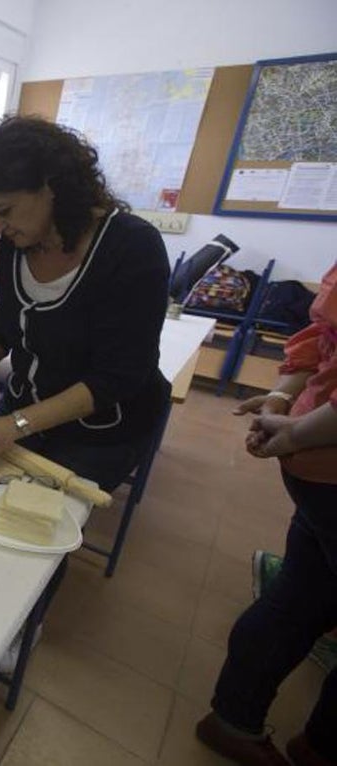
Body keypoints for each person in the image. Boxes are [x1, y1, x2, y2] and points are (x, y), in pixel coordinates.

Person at [0, 115, 170, 492]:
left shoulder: (131, 247)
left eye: (4, 212)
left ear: (51, 185)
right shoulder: (16, 245)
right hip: (24, 408)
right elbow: (3, 321)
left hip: (99, 433)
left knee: (38, 523)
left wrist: (18, 423)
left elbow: (118, 377)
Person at [196, 261, 337, 766]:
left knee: (302, 597)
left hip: (315, 456)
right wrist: (291, 424)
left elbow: (322, 335)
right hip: (324, 458)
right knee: (300, 597)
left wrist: (285, 405)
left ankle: (238, 721)